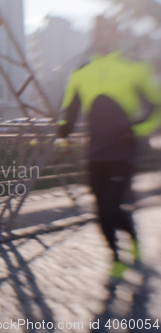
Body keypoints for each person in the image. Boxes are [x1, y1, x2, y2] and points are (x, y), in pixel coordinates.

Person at [58, 16, 161, 281]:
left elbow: (156, 107)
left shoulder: (133, 67)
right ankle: (117, 251)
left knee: (111, 205)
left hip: (123, 152)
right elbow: (70, 108)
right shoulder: (81, 72)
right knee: (102, 210)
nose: (100, 36)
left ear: (114, 36)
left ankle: (126, 249)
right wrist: (64, 127)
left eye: (105, 31)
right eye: (96, 31)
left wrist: (134, 130)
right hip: (94, 152)